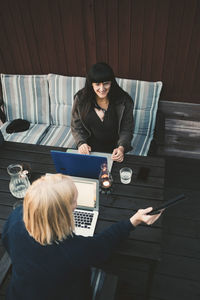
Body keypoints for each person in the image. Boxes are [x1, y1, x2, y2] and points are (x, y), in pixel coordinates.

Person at [2, 174, 161, 300]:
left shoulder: (16, 217)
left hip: (20, 293)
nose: (76, 205)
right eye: (73, 202)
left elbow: (7, 244)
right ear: (61, 215)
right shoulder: (74, 250)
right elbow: (104, 244)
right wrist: (134, 221)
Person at [71, 62, 134, 162]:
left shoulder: (124, 100)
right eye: (97, 84)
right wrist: (81, 143)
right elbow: (76, 126)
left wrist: (121, 148)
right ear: (91, 84)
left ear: (111, 82)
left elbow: (127, 129)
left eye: (106, 83)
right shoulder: (80, 99)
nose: (102, 89)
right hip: (89, 149)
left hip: (115, 148)